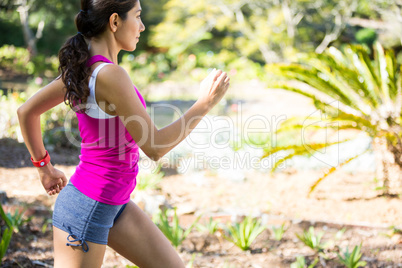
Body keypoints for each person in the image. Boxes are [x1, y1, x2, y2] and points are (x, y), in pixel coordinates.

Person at [17, 0, 229, 267]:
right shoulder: (109, 75)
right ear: (115, 22)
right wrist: (204, 103)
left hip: (114, 204)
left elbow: (27, 112)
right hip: (87, 208)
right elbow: (154, 146)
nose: (142, 26)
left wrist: (44, 169)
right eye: (137, 17)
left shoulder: (85, 69)